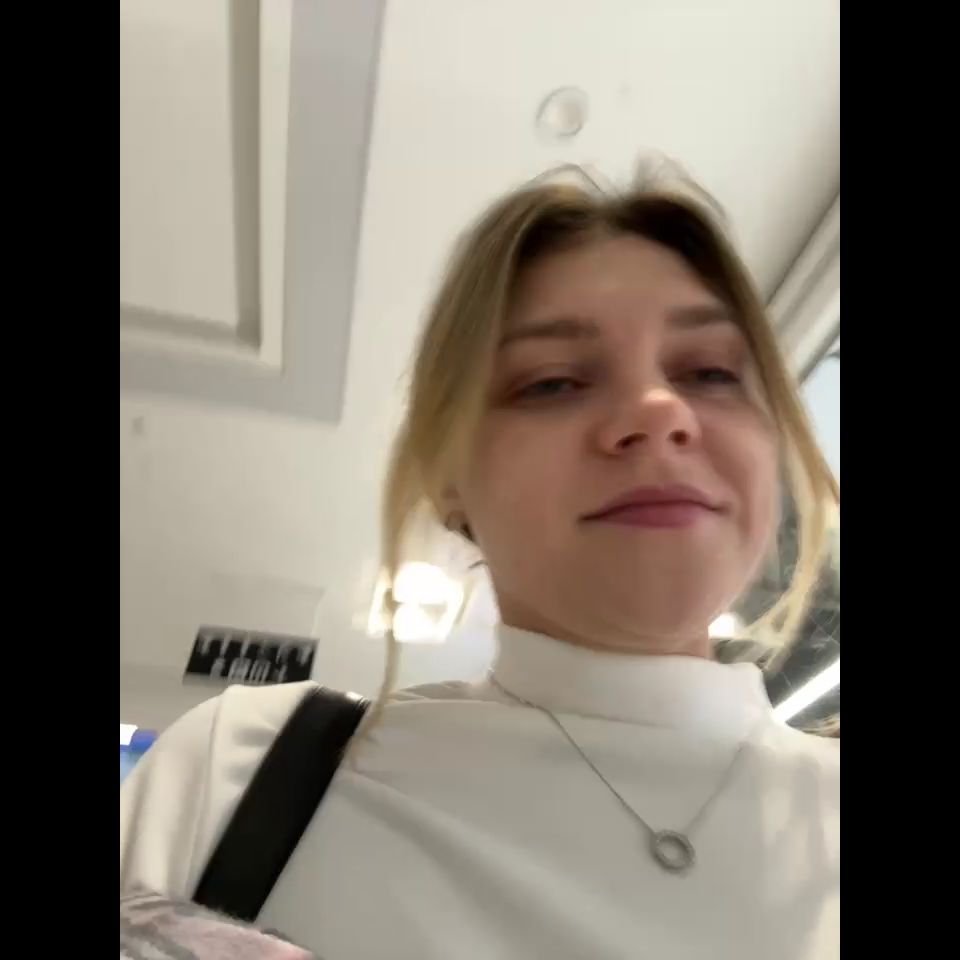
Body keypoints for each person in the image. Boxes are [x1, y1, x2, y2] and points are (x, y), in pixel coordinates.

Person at [121, 171, 840, 960]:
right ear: (448, 481)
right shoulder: (245, 769)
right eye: (553, 382)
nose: (660, 409)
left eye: (711, 372)